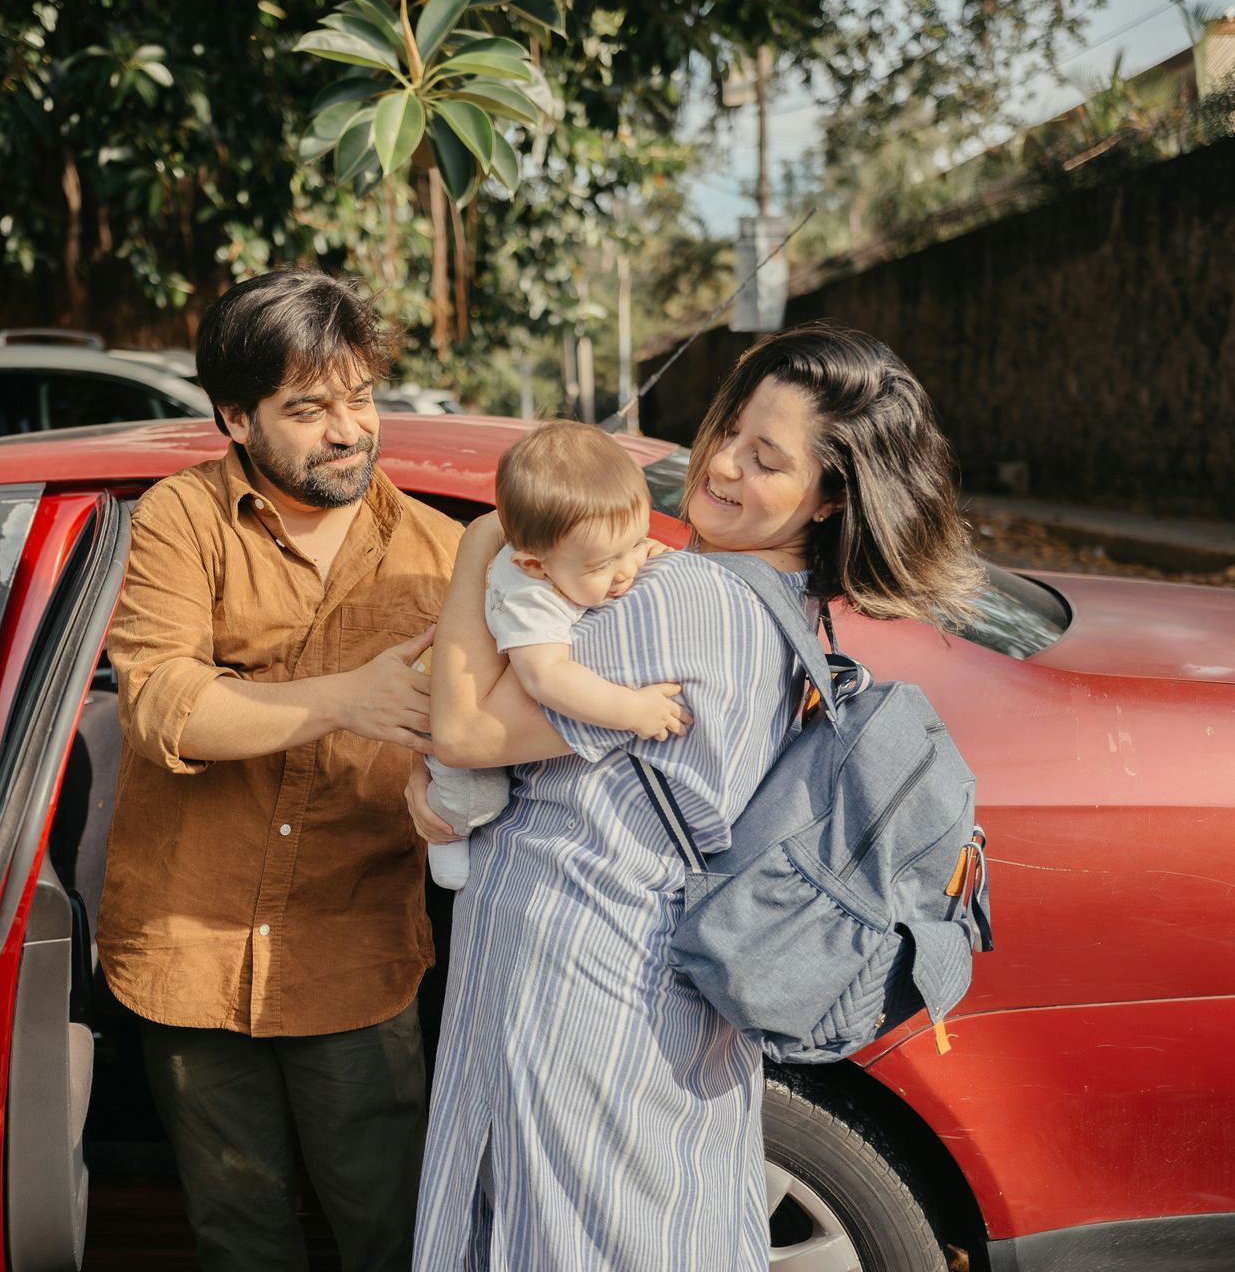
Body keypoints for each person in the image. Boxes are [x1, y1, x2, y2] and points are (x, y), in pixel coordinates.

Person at [410, 323, 984, 1269]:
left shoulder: (685, 600)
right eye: (730, 434)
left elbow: (467, 733)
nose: (720, 465)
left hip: (583, 989)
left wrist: (485, 542)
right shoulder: (791, 606)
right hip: (673, 1002)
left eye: (766, 460)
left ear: (828, 495)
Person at [97, 269, 461, 1272]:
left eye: (361, 398)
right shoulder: (181, 518)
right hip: (188, 950)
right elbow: (164, 702)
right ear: (236, 416)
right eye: (308, 408)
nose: (349, 430)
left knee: (391, 1232)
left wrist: (449, 792)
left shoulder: (444, 555)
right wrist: (346, 697)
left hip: (355, 956)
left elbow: (479, 739)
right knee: (239, 1239)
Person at [421, 422, 689, 890]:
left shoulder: (582, 550)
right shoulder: (530, 597)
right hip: (441, 705)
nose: (627, 570)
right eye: (603, 565)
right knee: (480, 799)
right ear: (534, 565)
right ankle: (444, 836)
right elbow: (547, 678)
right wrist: (631, 710)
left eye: (635, 543)